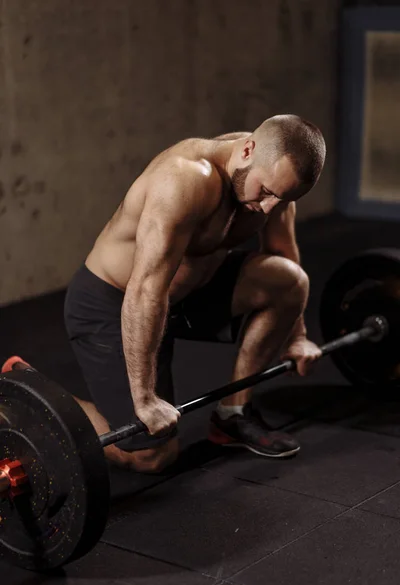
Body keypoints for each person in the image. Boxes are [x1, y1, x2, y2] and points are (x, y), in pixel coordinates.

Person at [56, 114, 326, 473]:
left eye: (282, 198)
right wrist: (145, 399)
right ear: (247, 149)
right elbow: (146, 288)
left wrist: (298, 336)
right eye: (265, 193)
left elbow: (281, 252)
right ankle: (39, 402)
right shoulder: (184, 179)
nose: (268, 207)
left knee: (290, 280)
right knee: (152, 456)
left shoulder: (275, 178)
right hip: (115, 301)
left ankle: (233, 413)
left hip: (183, 297)